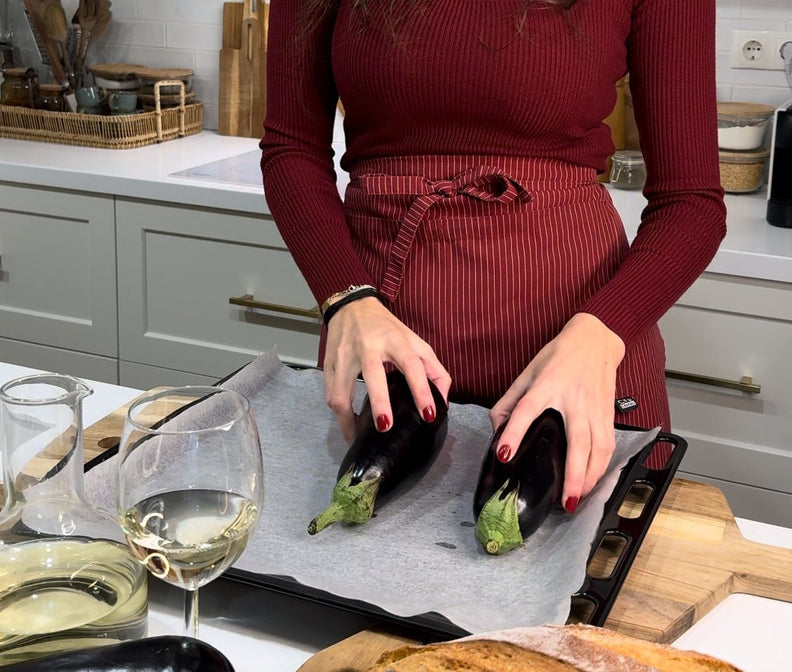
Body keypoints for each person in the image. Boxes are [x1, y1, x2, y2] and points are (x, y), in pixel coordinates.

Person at [259, 0, 726, 513]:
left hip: (580, 346)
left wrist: (600, 335)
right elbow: (292, 148)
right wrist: (345, 297)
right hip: (385, 340)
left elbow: (691, 203)